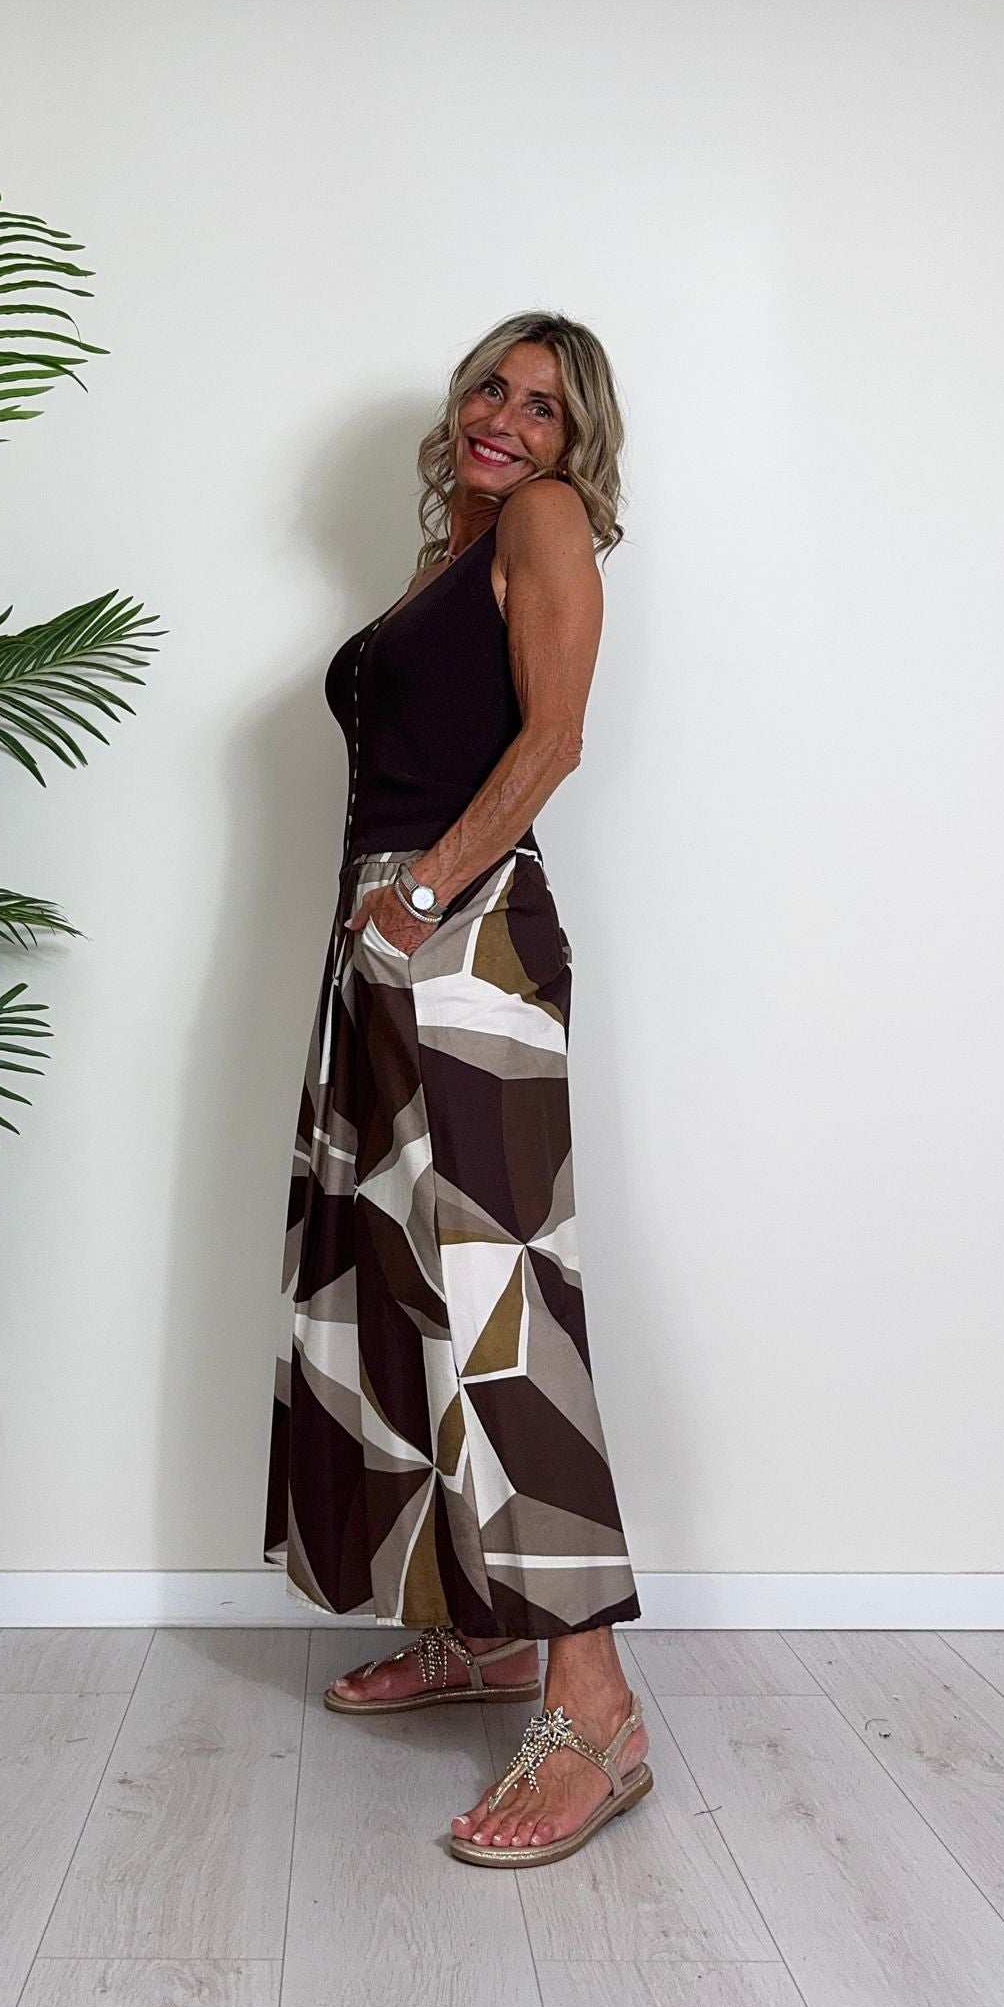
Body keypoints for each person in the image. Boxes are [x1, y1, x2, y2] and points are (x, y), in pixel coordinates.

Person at [264, 312, 651, 1865]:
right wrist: (385, 920)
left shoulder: (545, 523)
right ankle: (480, 1627)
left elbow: (553, 741)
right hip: (390, 936)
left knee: (504, 1309)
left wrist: (421, 896)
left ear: (575, 446)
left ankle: (598, 1711)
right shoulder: (451, 557)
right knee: (400, 1286)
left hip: (464, 935)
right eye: (493, 384)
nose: (507, 417)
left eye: (545, 407)